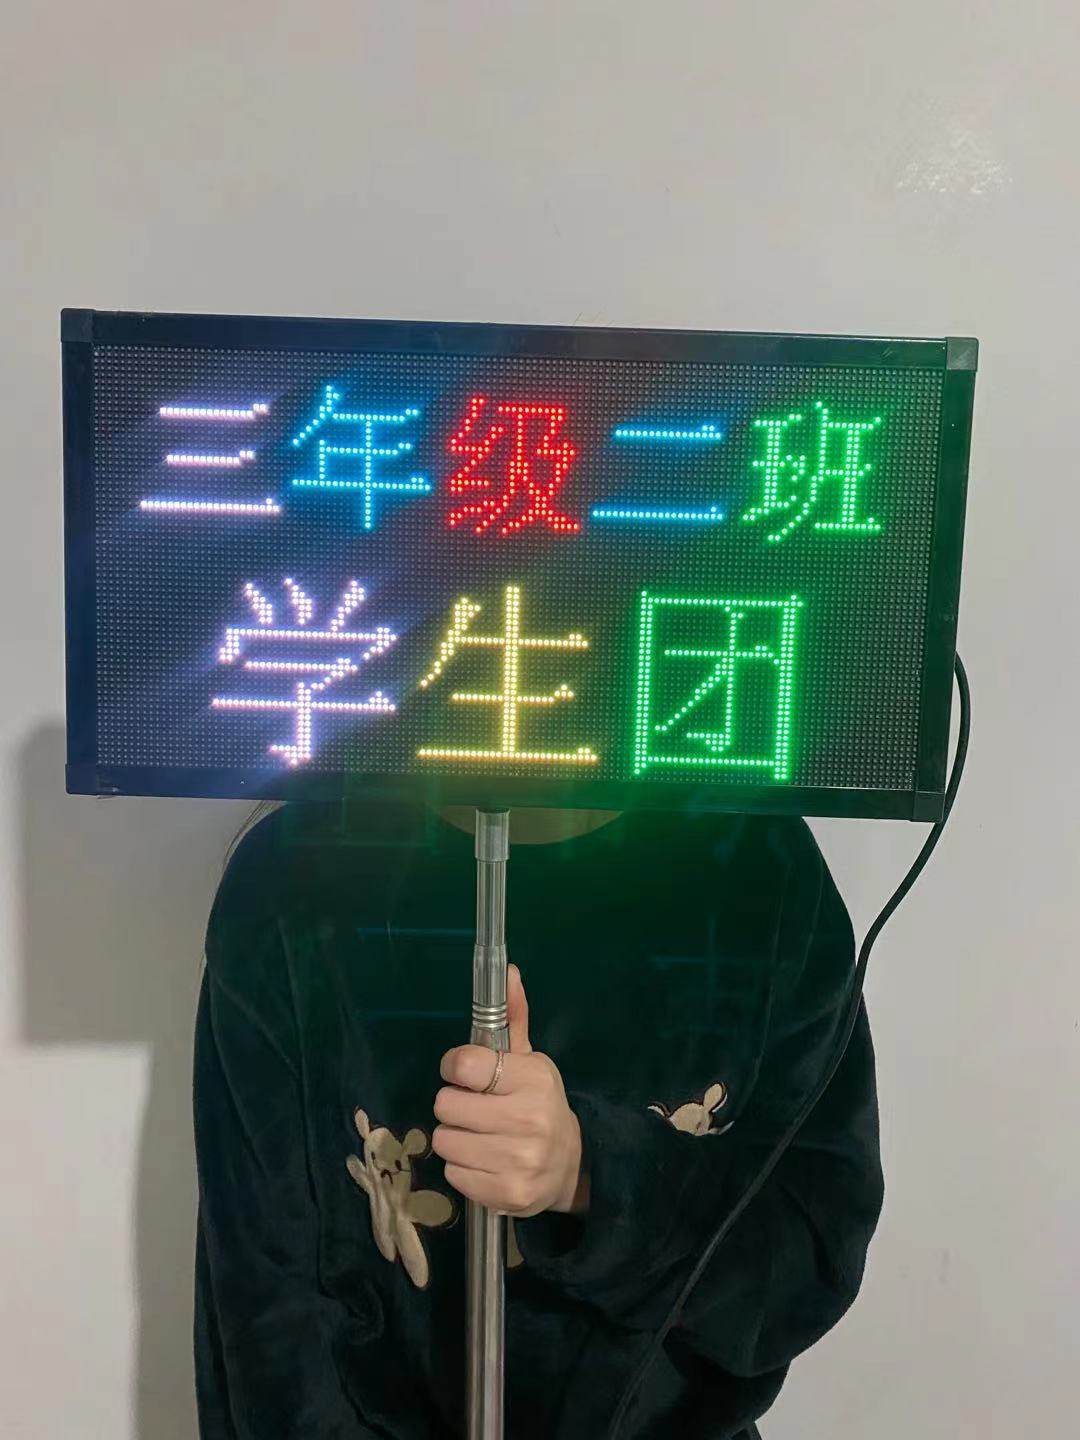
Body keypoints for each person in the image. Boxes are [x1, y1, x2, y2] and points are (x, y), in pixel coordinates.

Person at [193, 798, 884, 1439]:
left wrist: (589, 1174)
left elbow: (809, 1260)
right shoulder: (292, 881)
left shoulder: (760, 868)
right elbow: (267, 1324)